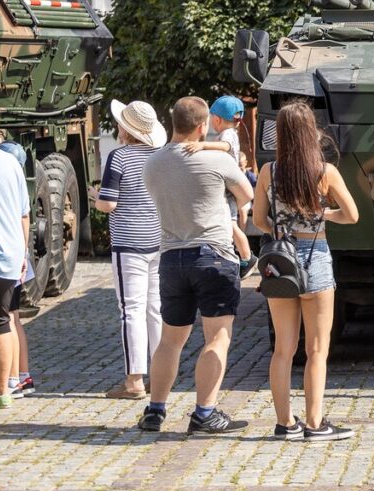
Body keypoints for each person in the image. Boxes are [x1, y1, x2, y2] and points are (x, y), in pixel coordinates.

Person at [138, 97, 254, 434]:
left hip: (172, 258)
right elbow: (246, 195)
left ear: (172, 122)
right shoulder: (214, 159)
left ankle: (155, 410)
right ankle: (204, 412)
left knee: (170, 340)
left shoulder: (153, 163)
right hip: (213, 256)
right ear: (203, 126)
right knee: (217, 338)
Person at [253, 100, 359, 441]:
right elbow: (352, 215)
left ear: (280, 134)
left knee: (283, 349)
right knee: (316, 349)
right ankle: (315, 424)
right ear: (310, 131)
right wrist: (321, 216)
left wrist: (282, 227)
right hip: (315, 258)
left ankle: (285, 423)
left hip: (281, 261)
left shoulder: (269, 171)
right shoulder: (325, 172)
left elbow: (257, 220)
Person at [91, 100, 167, 399]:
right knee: (155, 308)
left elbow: (109, 204)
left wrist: (97, 199)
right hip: (157, 238)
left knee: (130, 311)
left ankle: (134, 381)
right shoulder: (159, 156)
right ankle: (161, 375)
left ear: (127, 129)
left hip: (128, 241)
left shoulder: (119, 157)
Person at [182, 96, 257, 280]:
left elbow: (224, 146)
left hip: (228, 188)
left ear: (216, 119)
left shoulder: (227, 134)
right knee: (227, 224)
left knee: (231, 224)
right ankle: (239, 256)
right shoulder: (231, 132)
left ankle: (247, 258)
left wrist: (202, 145)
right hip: (228, 187)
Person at [0, 108, 29, 414]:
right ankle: (5, 390)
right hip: (8, 258)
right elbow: (24, 215)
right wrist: (22, 255)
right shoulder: (11, 164)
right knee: (3, 322)